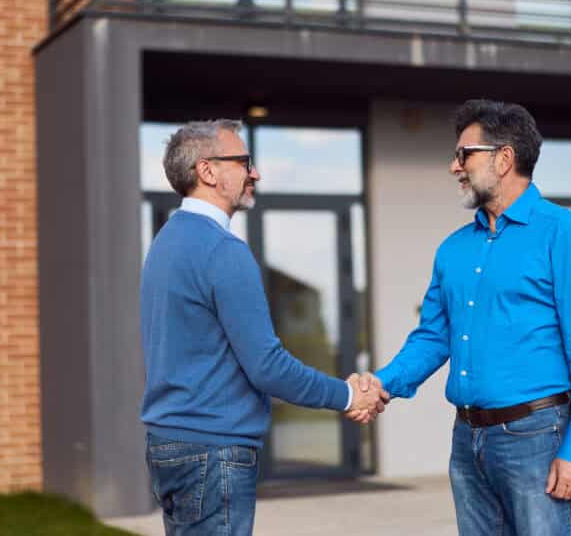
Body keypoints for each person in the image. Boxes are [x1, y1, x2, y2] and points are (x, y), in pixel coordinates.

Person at [355, 99, 571, 535]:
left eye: (464, 154)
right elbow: (432, 337)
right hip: (468, 439)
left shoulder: (565, 235)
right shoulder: (453, 249)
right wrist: (382, 384)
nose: (454, 167)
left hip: (537, 437)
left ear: (504, 158)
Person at [141, 119, 388, 536]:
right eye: (243, 162)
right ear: (208, 171)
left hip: (170, 445)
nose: (254, 173)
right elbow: (267, 366)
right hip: (213, 451)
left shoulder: (165, 243)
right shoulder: (222, 251)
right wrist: (348, 395)